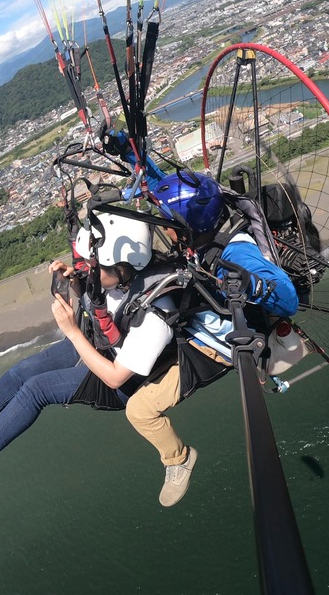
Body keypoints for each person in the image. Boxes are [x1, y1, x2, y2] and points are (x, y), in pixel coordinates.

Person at [0, 211, 177, 487]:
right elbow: (107, 308)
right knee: (23, 371)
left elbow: (115, 377)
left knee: (37, 389)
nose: (90, 270)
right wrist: (76, 285)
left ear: (122, 267)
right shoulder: (124, 279)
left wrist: (73, 332)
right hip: (100, 347)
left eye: (96, 266)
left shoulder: (155, 314)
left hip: (117, 382)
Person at [125, 170, 301, 507]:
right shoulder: (205, 232)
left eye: (170, 223)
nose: (166, 229)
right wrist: (132, 155)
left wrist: (248, 284)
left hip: (213, 346)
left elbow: (287, 298)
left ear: (190, 224)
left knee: (139, 410)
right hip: (196, 321)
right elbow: (167, 186)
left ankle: (178, 460)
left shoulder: (233, 255)